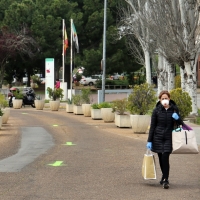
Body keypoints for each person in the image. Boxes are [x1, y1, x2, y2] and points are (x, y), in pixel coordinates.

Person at [146, 90, 183, 189]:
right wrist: (149, 140)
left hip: (169, 137)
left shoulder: (174, 109)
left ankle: (166, 179)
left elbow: (181, 123)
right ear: (160, 100)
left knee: (165, 157)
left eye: (166, 98)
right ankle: (163, 177)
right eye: (162, 99)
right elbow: (152, 126)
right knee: (160, 158)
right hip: (157, 137)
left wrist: (177, 118)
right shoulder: (156, 110)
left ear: (169, 99)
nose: (164, 100)